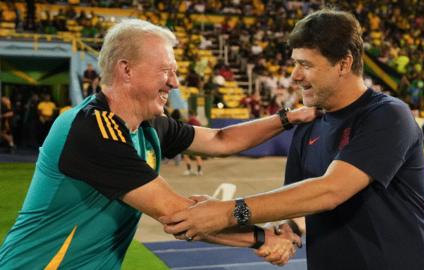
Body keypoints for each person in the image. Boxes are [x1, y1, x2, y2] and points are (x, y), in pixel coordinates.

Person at [0, 19, 316, 269]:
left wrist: (289, 117)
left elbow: (222, 139)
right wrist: (263, 237)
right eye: (166, 70)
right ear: (125, 70)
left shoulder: (150, 126)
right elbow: (179, 215)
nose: (175, 82)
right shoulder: (92, 130)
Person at [161, 9, 424, 270]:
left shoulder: (387, 115)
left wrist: (229, 212)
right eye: (295, 64)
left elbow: (330, 190)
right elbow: (299, 206)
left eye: (305, 65)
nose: (295, 76)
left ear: (344, 64)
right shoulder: (307, 126)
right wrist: (288, 232)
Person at [182, 109, 204, 176]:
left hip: (190, 141)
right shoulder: (198, 122)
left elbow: (186, 131)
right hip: (198, 141)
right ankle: (199, 171)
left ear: (189, 115)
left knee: (185, 155)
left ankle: (189, 170)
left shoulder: (189, 121)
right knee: (198, 156)